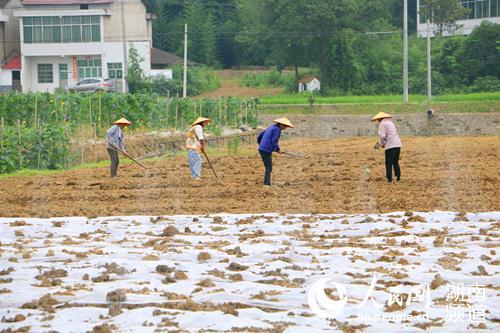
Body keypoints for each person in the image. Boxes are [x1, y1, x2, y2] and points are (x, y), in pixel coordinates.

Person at [257, 117, 294, 186]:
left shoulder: (271, 127)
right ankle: (266, 184)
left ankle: (268, 183)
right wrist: (278, 149)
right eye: (285, 126)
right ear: (281, 124)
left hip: (262, 149)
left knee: (267, 166)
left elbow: (260, 136)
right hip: (266, 150)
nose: (285, 128)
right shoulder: (277, 130)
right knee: (269, 167)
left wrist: (261, 145)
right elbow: (274, 141)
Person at [372, 112, 402, 183]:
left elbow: (382, 136)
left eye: (378, 120)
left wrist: (381, 144)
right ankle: (398, 178)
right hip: (397, 144)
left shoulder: (382, 124)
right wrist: (382, 143)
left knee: (388, 162)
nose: (378, 121)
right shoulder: (390, 122)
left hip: (390, 145)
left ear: (380, 119)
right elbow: (390, 134)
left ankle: (389, 179)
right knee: (395, 162)